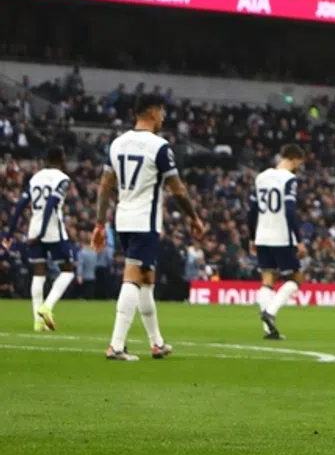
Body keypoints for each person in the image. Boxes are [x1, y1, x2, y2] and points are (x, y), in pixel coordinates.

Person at [92, 93, 206, 361]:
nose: (164, 117)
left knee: (146, 280)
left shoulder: (117, 144)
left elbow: (105, 186)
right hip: (145, 221)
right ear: (153, 113)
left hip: (123, 219)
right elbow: (177, 188)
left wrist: (99, 223)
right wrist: (193, 216)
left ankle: (157, 343)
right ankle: (116, 346)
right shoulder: (159, 147)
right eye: (162, 112)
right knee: (133, 277)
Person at [13, 148, 76, 331]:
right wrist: (42, 232)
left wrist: (10, 233)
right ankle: (47, 307)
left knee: (38, 273)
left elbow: (20, 206)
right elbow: (50, 204)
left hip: (34, 227)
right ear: (61, 159)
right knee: (68, 270)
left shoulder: (35, 178)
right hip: (52, 229)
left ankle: (37, 322)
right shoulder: (62, 179)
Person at [250, 143, 307, 341]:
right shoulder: (289, 179)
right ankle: (271, 312)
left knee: (267, 279)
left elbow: (252, 210)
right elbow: (290, 210)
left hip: (262, 235)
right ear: (295, 159)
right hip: (281, 236)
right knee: (297, 278)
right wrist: (299, 240)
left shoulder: (261, 177)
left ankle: (268, 330)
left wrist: (252, 237)